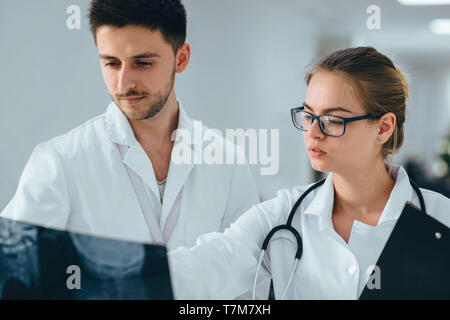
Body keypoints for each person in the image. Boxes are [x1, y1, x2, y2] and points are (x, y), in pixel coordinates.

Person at [167, 46, 450, 300]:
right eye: (308, 115)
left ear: (383, 127)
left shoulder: (441, 218)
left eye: (332, 120)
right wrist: (128, 267)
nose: (313, 133)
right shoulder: (280, 217)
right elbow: (201, 268)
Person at [0, 0, 259, 250]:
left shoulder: (228, 164)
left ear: (181, 58)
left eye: (143, 63)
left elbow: (249, 278)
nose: (124, 84)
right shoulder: (59, 163)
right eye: (112, 63)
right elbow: (14, 271)